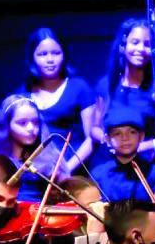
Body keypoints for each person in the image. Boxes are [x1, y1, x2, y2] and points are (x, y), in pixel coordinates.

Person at [92, 18, 155, 163]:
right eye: (135, 42)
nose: (140, 49)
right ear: (123, 46)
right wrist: (109, 141)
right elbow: (95, 128)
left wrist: (146, 145)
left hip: (149, 166)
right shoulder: (107, 84)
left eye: (147, 44)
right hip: (113, 166)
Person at [15, 28, 97, 173]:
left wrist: (67, 169)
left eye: (56, 53)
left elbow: (91, 138)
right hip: (37, 174)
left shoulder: (80, 87)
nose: (50, 59)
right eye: (42, 54)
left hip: (74, 171)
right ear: (32, 57)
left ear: (64, 55)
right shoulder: (23, 92)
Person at [0, 94, 70, 202]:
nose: (31, 128)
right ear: (6, 125)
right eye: (22, 123)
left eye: (35, 122)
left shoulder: (51, 157)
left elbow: (67, 191)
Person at [90, 106, 155, 203]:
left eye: (132, 132)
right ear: (107, 139)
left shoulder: (154, 173)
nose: (125, 138)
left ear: (141, 136)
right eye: (117, 134)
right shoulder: (99, 175)